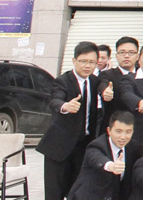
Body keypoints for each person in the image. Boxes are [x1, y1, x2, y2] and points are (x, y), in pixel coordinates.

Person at [40, 41, 109, 200]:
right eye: (83, 61)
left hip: (83, 146)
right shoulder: (63, 81)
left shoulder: (94, 81)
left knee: (79, 191)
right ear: (74, 61)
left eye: (92, 62)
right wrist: (65, 106)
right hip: (59, 146)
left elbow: (104, 81)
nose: (87, 65)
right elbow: (55, 100)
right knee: (54, 193)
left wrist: (106, 89)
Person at [66, 110, 135, 200]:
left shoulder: (133, 147)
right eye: (118, 131)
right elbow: (97, 158)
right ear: (109, 131)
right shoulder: (97, 145)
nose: (123, 137)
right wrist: (111, 166)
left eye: (128, 132)